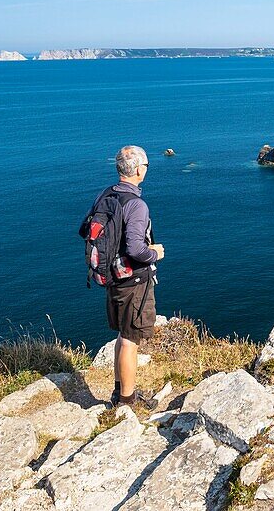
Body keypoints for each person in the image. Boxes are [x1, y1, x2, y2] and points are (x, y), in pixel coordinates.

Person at [85, 145, 165, 409]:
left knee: (123, 335)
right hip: (134, 281)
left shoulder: (105, 194)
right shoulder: (136, 205)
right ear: (140, 169)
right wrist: (154, 253)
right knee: (131, 340)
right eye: (147, 166)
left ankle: (120, 392)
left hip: (113, 277)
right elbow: (135, 249)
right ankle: (128, 402)